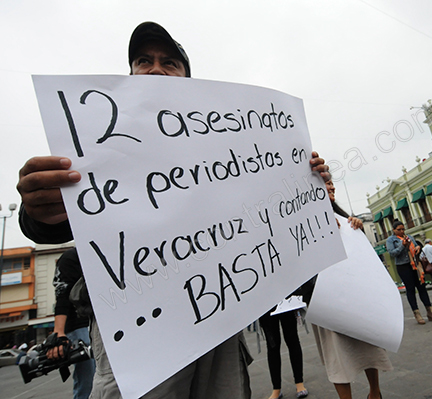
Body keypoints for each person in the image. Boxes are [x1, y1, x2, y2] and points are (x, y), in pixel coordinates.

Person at [16, 21, 331, 399]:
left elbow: (264, 207)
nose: (155, 69)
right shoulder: (99, 142)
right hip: (140, 330)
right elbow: (56, 216)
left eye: (170, 62)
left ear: (188, 79)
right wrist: (40, 210)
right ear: (130, 74)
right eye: (143, 60)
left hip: (219, 317)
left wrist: (307, 182)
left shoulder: (229, 146)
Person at [311, 179, 392, 399]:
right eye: (325, 185)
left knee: (366, 342)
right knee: (336, 353)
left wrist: (354, 227)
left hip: (355, 294)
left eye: (331, 185)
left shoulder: (346, 221)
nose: (331, 188)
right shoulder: (305, 223)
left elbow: (359, 255)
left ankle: (375, 392)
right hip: (326, 297)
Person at [49, 248, 95, 399]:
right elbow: (62, 295)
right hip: (79, 326)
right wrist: (59, 332)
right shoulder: (71, 257)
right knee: (89, 382)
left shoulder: (97, 252)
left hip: (99, 324)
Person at [386, 221, 432, 325]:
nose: (402, 231)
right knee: (410, 289)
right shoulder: (391, 240)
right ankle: (417, 313)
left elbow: (416, 246)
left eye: (403, 229)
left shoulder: (409, 237)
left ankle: (430, 312)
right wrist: (402, 245)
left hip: (415, 265)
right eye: (399, 230)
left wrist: (417, 248)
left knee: (422, 287)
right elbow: (392, 253)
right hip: (403, 266)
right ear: (394, 230)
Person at [259, 305, 308, 399]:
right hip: (265, 305)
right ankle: (276, 388)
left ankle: (299, 382)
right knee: (272, 345)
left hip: (285, 302)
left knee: (292, 340)